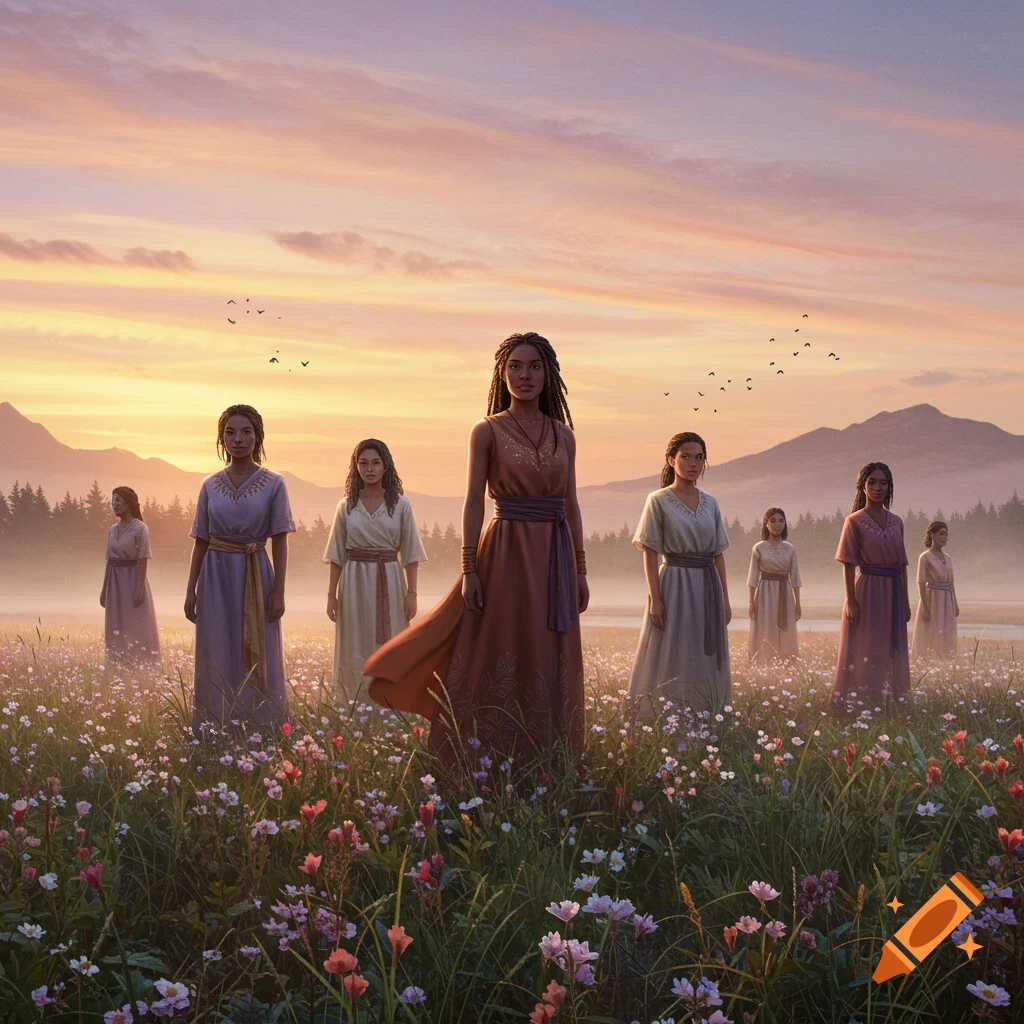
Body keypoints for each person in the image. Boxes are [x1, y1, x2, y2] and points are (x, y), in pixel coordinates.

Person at [365, 332, 588, 775]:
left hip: (554, 558)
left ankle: (548, 762)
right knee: (501, 645)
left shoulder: (565, 435)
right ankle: (486, 759)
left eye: (535, 366)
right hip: (504, 551)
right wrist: (470, 568)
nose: (525, 375)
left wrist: (580, 569)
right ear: (502, 375)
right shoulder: (487, 430)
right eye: (516, 367)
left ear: (550, 375)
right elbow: (472, 501)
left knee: (547, 651)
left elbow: (571, 503)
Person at [184, 404, 295, 732]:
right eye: (230, 432)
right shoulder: (209, 484)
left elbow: (280, 540)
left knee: (258, 648)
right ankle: (213, 726)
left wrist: (279, 591)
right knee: (216, 648)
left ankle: (262, 725)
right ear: (221, 438)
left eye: (246, 432)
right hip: (215, 576)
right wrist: (190, 589)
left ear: (258, 436)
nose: (238, 439)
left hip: (255, 574)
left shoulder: (274, 483)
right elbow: (201, 540)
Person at [627, 432, 732, 718]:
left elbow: (718, 553)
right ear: (671, 459)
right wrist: (655, 599)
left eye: (699, 457)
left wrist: (725, 598)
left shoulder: (711, 503)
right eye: (685, 456)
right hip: (674, 582)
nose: (692, 463)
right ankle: (664, 713)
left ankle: (705, 711)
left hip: (707, 584)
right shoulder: (658, 500)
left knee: (702, 650)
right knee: (674, 647)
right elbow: (650, 552)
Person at [324, 439, 426, 705]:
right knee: (353, 643)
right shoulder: (345, 506)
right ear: (356, 466)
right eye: (363, 463)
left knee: (390, 643)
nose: (369, 469)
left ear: (385, 466)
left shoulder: (401, 506)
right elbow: (336, 555)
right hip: (354, 581)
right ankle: (352, 706)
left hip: (389, 580)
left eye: (376, 462)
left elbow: (411, 553)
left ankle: (389, 705)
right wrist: (331, 595)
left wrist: (412, 593)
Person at [830, 461, 911, 712]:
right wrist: (851, 601)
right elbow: (848, 564)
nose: (878, 488)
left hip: (894, 591)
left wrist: (906, 602)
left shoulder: (897, 522)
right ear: (862, 486)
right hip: (866, 591)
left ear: (890, 487)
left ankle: (892, 701)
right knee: (867, 644)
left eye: (883, 483)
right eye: (872, 482)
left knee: (890, 644)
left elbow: (902, 565)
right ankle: (862, 699)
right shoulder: (853, 521)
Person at [100, 486, 161, 667]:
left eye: (118, 500)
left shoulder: (140, 528)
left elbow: (143, 558)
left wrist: (140, 587)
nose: (114, 504)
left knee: (135, 621)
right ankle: (117, 664)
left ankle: (141, 663)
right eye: (113, 500)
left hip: (132, 579)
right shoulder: (112, 530)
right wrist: (104, 589)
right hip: (114, 581)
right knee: (116, 622)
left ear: (128, 502)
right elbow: (109, 560)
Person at [746, 507, 802, 661]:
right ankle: (765, 659)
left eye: (781, 521)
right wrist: (751, 602)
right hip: (765, 592)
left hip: (785, 591)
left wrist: (798, 602)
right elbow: (753, 577)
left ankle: (786, 660)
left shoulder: (790, 549)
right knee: (766, 624)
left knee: (786, 628)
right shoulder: (759, 548)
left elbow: (795, 577)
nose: (777, 524)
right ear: (766, 524)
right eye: (773, 521)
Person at [911, 521, 959, 660]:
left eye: (946, 534)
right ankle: (928, 659)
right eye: (941, 533)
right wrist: (925, 607)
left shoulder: (948, 558)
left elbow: (951, 583)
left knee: (947, 630)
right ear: (932, 535)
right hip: (932, 598)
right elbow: (920, 582)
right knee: (931, 629)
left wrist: (955, 604)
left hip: (947, 599)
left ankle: (946, 658)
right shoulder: (925, 557)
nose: (945, 537)